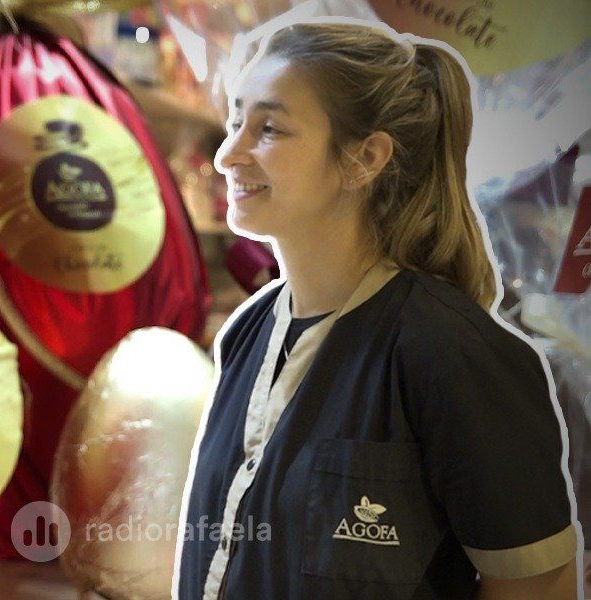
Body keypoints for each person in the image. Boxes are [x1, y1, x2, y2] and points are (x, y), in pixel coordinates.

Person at [173, 19, 580, 599]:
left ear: (364, 158)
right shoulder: (248, 334)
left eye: (269, 128)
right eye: (237, 122)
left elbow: (536, 589)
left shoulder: (451, 354)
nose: (226, 155)